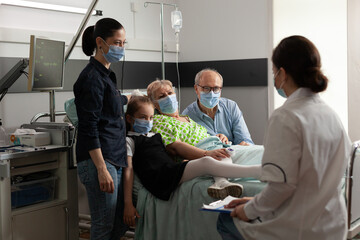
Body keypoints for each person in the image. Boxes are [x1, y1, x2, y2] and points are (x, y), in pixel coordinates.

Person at [216, 35, 352, 240]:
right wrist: (254, 200)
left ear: (282, 73)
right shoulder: (331, 115)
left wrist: (249, 209)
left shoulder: (286, 116)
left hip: (300, 229)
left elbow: (282, 186)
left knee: (225, 220)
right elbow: (307, 181)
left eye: (273, 72)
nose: (274, 77)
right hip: (333, 225)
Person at [122, 95, 261, 227]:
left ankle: (228, 179)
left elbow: (163, 157)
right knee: (206, 162)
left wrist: (182, 163)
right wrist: (128, 203)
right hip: (160, 179)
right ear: (129, 118)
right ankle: (258, 171)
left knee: (215, 160)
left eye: (151, 118)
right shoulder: (130, 141)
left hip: (170, 170)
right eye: (143, 118)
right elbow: (128, 171)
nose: (148, 121)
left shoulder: (154, 135)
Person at [147, 80, 252, 199]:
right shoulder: (158, 121)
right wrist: (206, 154)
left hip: (214, 144)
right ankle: (223, 182)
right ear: (154, 104)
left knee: (252, 151)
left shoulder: (185, 118)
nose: (168, 97)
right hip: (202, 150)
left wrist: (218, 136)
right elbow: (175, 147)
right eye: (162, 96)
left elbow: (200, 134)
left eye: (170, 93)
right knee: (226, 157)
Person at [74, 18, 128, 240]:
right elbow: (89, 127)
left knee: (117, 225)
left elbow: (109, 107)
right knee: (103, 226)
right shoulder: (91, 78)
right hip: (99, 160)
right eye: (117, 42)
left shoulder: (106, 76)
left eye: (124, 43)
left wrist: (129, 99)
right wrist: (101, 169)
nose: (121, 48)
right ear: (100, 42)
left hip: (113, 158)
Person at [182, 69, 253, 145]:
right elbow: (190, 149)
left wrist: (244, 145)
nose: (211, 93)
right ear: (196, 89)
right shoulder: (187, 117)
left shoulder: (231, 107)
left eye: (216, 88)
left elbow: (245, 139)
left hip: (236, 154)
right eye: (206, 88)